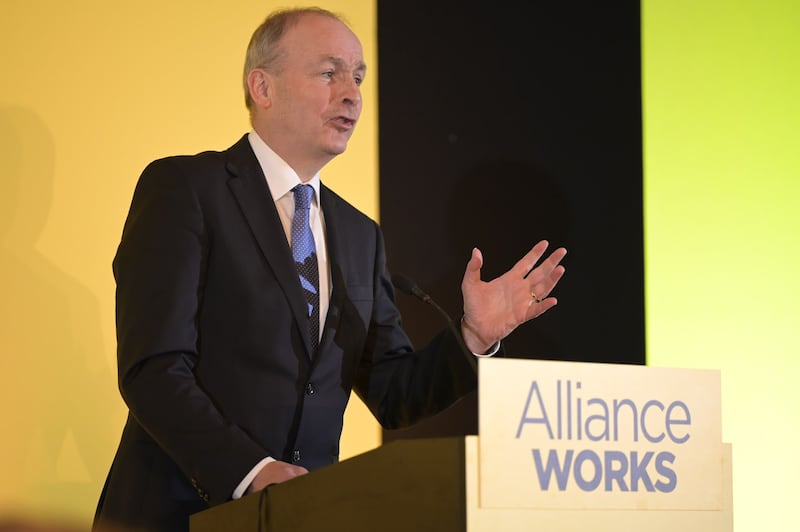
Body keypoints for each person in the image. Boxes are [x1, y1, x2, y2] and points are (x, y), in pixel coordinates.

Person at [93, 6, 567, 532]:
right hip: (178, 515)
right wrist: (251, 472)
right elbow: (153, 370)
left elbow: (394, 393)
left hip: (305, 518)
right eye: (329, 72)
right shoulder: (186, 190)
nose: (353, 94)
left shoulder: (359, 234)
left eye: (359, 76)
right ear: (262, 86)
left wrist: (472, 336)